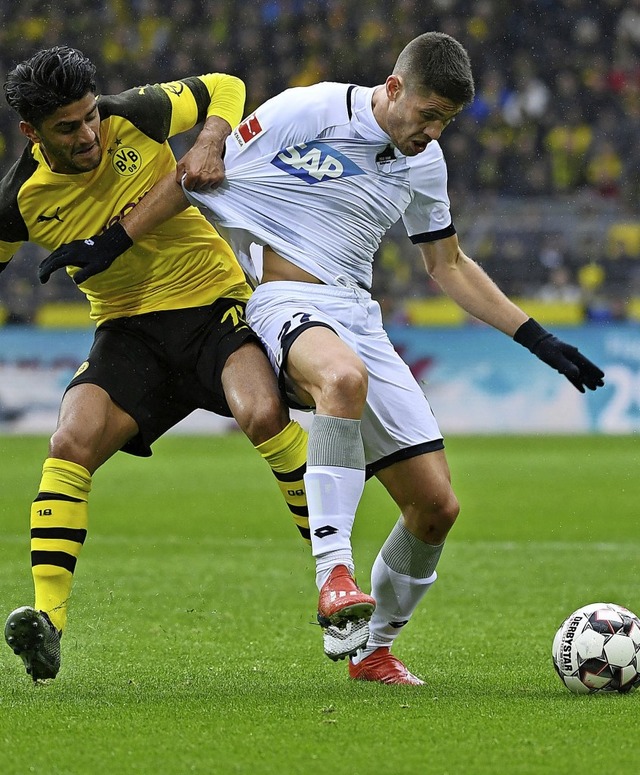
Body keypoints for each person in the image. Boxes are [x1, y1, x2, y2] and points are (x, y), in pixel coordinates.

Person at [38, 33, 605, 685]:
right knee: (340, 378)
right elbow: (193, 175)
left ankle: (373, 649)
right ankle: (334, 574)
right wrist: (111, 242)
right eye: (427, 114)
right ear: (395, 89)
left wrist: (536, 336)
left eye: (445, 121)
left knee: (436, 508)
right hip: (285, 299)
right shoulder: (307, 112)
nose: (433, 131)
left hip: (360, 315)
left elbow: (446, 264)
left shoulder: (425, 163)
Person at [0, 47, 310, 683]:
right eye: (68, 127)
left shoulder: (135, 113)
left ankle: (337, 575)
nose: (88, 134)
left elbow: (227, 82)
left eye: (90, 117)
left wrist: (210, 142)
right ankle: (49, 620)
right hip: (129, 335)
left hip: (211, 307)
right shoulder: (19, 198)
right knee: (70, 441)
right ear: (31, 132)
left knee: (261, 414)